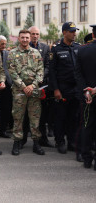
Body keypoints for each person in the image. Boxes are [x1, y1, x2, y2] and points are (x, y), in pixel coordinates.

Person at [8, 29, 45, 156]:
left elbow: (41, 71)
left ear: (30, 39)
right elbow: (12, 72)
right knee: (18, 118)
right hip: (19, 91)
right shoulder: (12, 53)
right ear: (19, 38)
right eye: (22, 37)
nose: (25, 40)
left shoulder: (36, 53)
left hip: (34, 91)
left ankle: (36, 143)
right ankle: (16, 143)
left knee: (35, 118)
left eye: (27, 38)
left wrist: (33, 85)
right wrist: (24, 86)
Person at [49, 22, 82, 158]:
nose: (74, 33)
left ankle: (71, 142)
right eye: (72, 31)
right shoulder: (56, 50)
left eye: (75, 31)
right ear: (64, 33)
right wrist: (56, 90)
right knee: (60, 117)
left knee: (73, 117)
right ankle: (60, 141)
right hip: (62, 89)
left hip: (76, 89)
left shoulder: (78, 47)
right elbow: (52, 72)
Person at [28, 26, 53, 148]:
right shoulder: (24, 47)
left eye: (37, 34)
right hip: (27, 86)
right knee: (24, 115)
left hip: (41, 86)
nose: (35, 36)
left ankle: (43, 139)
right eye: (33, 34)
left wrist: (41, 77)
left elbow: (48, 65)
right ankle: (21, 140)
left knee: (42, 114)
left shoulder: (45, 47)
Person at [75, 24, 96, 169]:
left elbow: (77, 73)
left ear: (93, 35)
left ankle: (86, 158)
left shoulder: (82, 50)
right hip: (92, 93)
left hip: (87, 96)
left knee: (87, 126)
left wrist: (87, 91)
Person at [0, 35, 13, 138]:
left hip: (7, 85)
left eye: (5, 44)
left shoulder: (7, 54)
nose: (4, 46)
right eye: (2, 44)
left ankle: (3, 130)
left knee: (6, 108)